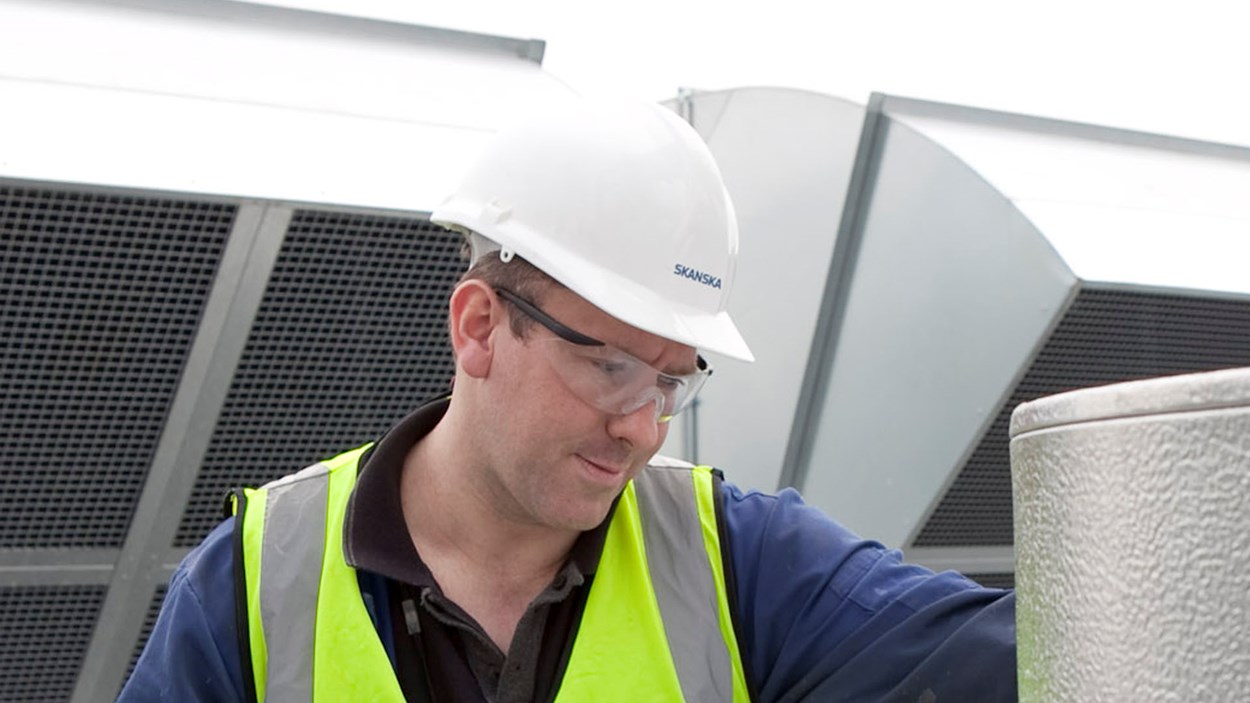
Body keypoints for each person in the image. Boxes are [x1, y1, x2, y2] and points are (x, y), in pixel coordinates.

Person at [120, 97, 1016, 702]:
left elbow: (1013, 654)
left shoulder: (738, 564)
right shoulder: (253, 586)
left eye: (672, 379)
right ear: (478, 326)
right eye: (611, 365)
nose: (642, 425)